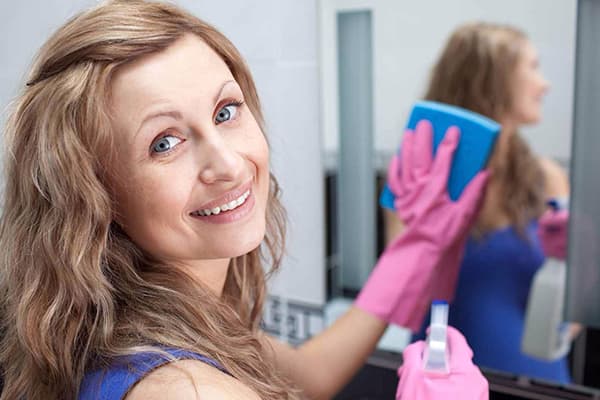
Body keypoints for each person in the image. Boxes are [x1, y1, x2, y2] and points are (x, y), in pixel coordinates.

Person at [0, 2, 488, 399]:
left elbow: (310, 374)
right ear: (95, 194)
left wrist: (416, 244)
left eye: (225, 111)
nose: (229, 164)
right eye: (164, 142)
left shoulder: (140, 327)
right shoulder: (189, 391)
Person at [385, 22, 576, 384]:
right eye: (533, 68)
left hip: (540, 379)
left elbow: (576, 311)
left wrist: (577, 269)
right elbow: (398, 300)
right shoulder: (415, 177)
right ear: (493, 79)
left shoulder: (546, 178)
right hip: (443, 381)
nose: (545, 84)